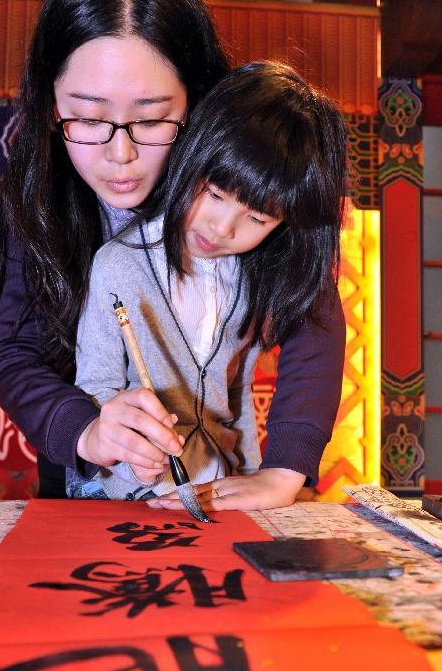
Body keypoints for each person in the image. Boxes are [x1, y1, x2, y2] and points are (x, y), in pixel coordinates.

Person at [0, 0, 346, 510]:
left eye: (152, 119)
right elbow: (13, 352)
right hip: (88, 485)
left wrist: (287, 468)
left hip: (214, 481)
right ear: (51, 104)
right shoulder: (38, 198)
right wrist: (87, 431)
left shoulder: (235, 181)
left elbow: (311, 320)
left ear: (197, 103)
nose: (120, 154)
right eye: (87, 118)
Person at [71, 61, 347, 511]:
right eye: (215, 194)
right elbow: (96, 386)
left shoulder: (254, 277)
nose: (222, 227)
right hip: (122, 490)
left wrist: (264, 476)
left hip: (218, 487)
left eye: (257, 218)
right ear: (192, 155)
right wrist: (123, 444)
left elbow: (235, 396)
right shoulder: (119, 264)